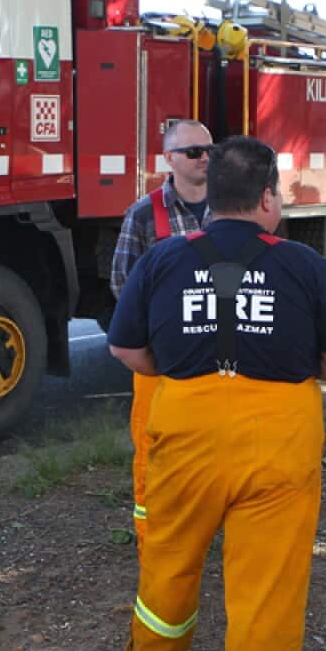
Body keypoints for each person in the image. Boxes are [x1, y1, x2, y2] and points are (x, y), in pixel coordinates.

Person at [108, 136, 326, 651]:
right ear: (268, 198)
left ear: (211, 197)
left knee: (168, 569)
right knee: (268, 589)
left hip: (184, 437)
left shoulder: (163, 258)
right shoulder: (305, 265)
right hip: (278, 445)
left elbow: (125, 349)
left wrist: (179, 365)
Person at [110, 119, 212, 545]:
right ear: (169, 159)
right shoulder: (144, 214)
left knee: (210, 448)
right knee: (154, 451)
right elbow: (122, 283)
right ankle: (154, 536)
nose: (205, 157)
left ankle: (204, 527)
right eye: (194, 152)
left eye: (211, 150)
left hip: (215, 359)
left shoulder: (230, 210)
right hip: (161, 362)